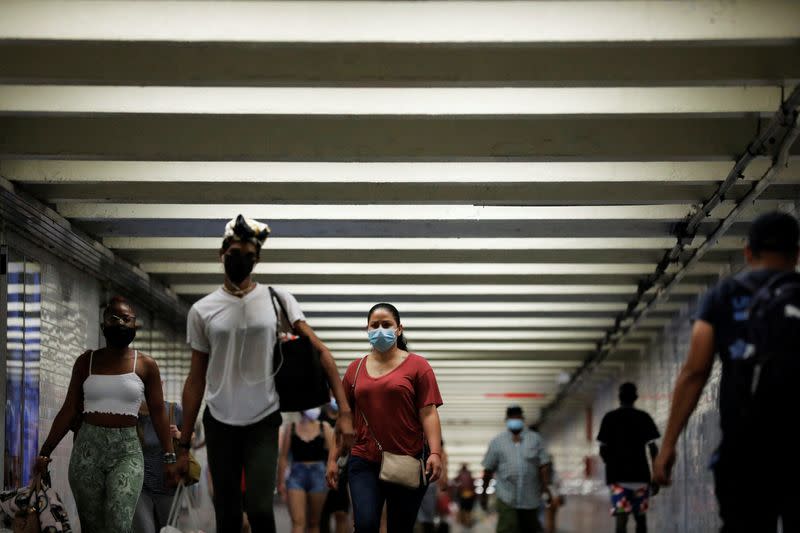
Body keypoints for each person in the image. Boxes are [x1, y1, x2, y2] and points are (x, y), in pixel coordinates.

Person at [176, 215, 354, 533]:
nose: (239, 260)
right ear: (221, 254)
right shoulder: (202, 310)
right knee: (227, 513)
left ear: (256, 259)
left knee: (260, 508)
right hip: (219, 420)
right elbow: (195, 378)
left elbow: (321, 352)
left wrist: (345, 412)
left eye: (247, 255)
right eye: (233, 253)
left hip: (263, 418)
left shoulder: (277, 300)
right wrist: (184, 442)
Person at [653, 211, 800, 532]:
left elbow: (694, 372)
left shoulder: (723, 296)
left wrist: (668, 447)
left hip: (744, 454)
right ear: (796, 253)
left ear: (748, 252)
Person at [34, 296, 176, 533]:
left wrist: (170, 456)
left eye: (126, 319)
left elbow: (159, 413)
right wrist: (44, 453)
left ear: (134, 326)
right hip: (88, 450)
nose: (120, 323)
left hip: (127, 451)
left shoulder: (145, 365)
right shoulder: (85, 362)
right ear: (103, 326)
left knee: (119, 522)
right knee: (92, 526)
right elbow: (69, 409)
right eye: (113, 318)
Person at [328, 303, 444, 533]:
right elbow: (344, 419)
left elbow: (428, 413)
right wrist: (333, 458)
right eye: (375, 325)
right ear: (367, 329)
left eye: (386, 324)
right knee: (366, 524)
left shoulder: (418, 366)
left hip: (407, 460)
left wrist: (435, 452)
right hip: (364, 460)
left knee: (399, 528)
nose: (380, 329)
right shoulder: (355, 369)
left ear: (399, 329)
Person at [597, 383, 660, 533]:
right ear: (636, 397)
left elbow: (602, 449)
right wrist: (656, 476)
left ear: (619, 398)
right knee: (641, 519)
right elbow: (653, 448)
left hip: (618, 479)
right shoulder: (643, 417)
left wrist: (612, 464)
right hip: (640, 477)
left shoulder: (609, 417)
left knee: (621, 519)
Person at [481, 406, 550, 533]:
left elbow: (543, 465)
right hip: (506, 497)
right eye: (511, 418)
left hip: (531, 497)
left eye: (517, 417)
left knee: (531, 529)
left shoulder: (535, 439)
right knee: (507, 528)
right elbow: (488, 470)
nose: (514, 420)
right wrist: (484, 494)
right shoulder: (497, 442)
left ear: (522, 419)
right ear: (506, 420)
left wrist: (546, 488)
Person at [278, 408, 336, 533]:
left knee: (314, 523)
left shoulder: (324, 427)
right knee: (298, 522)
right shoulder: (291, 428)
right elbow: (283, 458)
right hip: (296, 475)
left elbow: (333, 455)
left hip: (318, 475)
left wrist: (333, 476)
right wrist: (281, 482)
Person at [133, 397, 184, 533]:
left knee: (168, 530)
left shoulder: (174, 410)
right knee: (145, 529)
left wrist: (178, 434)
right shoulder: (131, 413)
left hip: (168, 486)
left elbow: (193, 437)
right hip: (140, 487)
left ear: (160, 384)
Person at [319, 399, 352, 533]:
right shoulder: (320, 417)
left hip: (342, 470)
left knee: (341, 512)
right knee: (322, 514)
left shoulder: (346, 416)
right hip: (322, 468)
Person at [455, 464, 476, 528]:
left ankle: (464, 521)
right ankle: (468, 521)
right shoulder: (469, 474)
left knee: (463, 509)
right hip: (470, 494)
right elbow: (473, 484)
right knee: (468, 510)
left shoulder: (460, 474)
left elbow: (455, 481)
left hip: (463, 495)